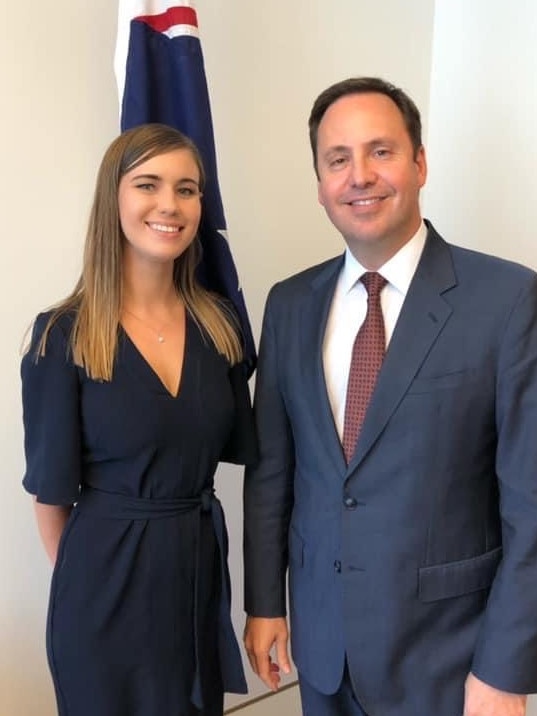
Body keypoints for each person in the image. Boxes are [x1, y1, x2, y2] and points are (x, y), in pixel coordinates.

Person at [243, 77, 537, 716]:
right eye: (338, 159)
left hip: (451, 664)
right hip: (323, 656)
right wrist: (265, 602)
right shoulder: (289, 305)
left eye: (381, 151)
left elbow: (531, 504)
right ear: (320, 183)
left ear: (420, 162)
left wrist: (506, 670)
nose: (360, 176)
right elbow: (273, 475)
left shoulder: (509, 300)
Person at [21, 123, 256, 716]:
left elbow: (255, 459)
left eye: (187, 189)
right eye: (148, 184)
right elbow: (51, 498)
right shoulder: (63, 337)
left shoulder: (220, 329)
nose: (169, 205)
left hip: (195, 581)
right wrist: (93, 583)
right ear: (114, 199)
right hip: (101, 592)